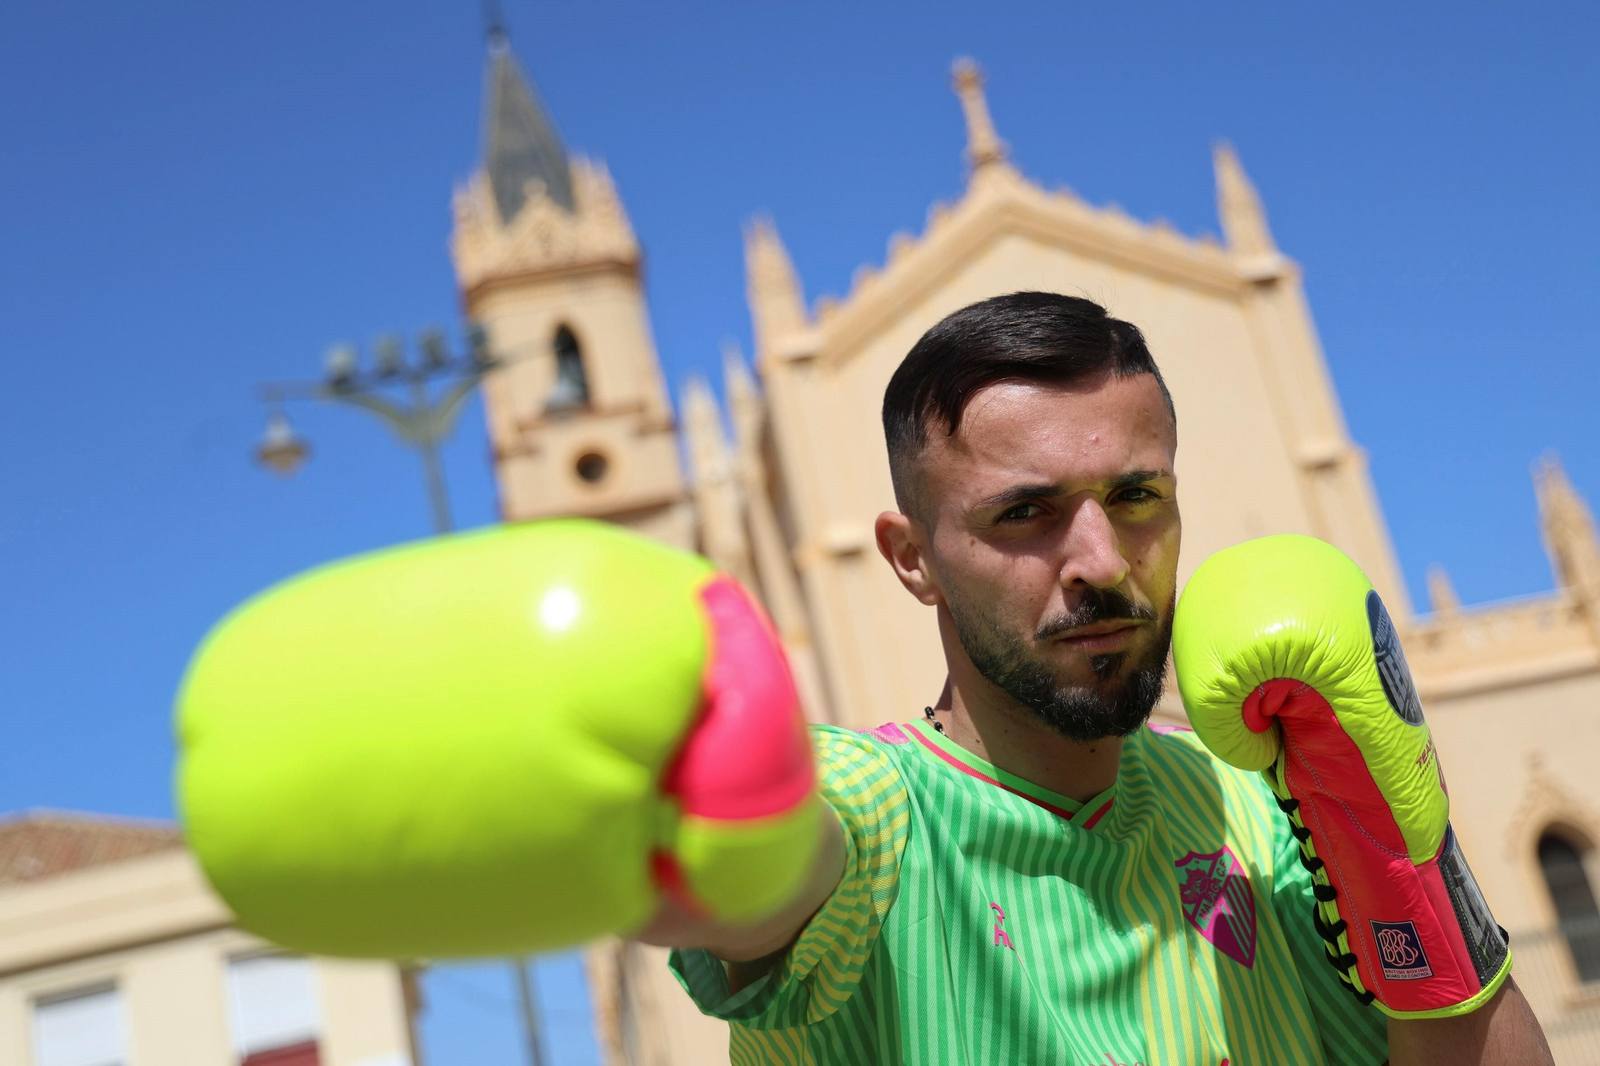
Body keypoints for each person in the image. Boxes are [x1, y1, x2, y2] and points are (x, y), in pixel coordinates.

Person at [637, 292, 1552, 1064]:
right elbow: (740, 864)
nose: (1103, 562)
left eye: (1136, 497)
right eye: (1026, 513)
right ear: (912, 559)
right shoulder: (880, 811)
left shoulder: (1266, 815)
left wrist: (1407, 862)